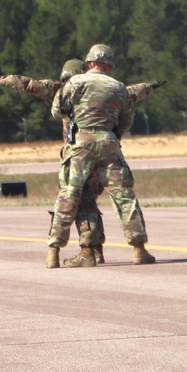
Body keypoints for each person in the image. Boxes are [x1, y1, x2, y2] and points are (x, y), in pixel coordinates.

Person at [0, 60, 164, 266]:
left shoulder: (62, 91)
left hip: (78, 154)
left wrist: (2, 80)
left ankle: (76, 251)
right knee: (107, 200)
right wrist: (150, 87)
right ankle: (96, 251)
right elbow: (133, 93)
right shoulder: (102, 89)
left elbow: (31, 85)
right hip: (106, 151)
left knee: (76, 201)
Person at [45, 44, 155, 269]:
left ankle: (53, 253)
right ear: (109, 65)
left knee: (69, 195)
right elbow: (126, 121)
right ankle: (139, 249)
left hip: (81, 144)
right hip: (108, 142)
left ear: (89, 63)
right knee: (123, 195)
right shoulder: (119, 87)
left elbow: (57, 110)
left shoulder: (75, 83)